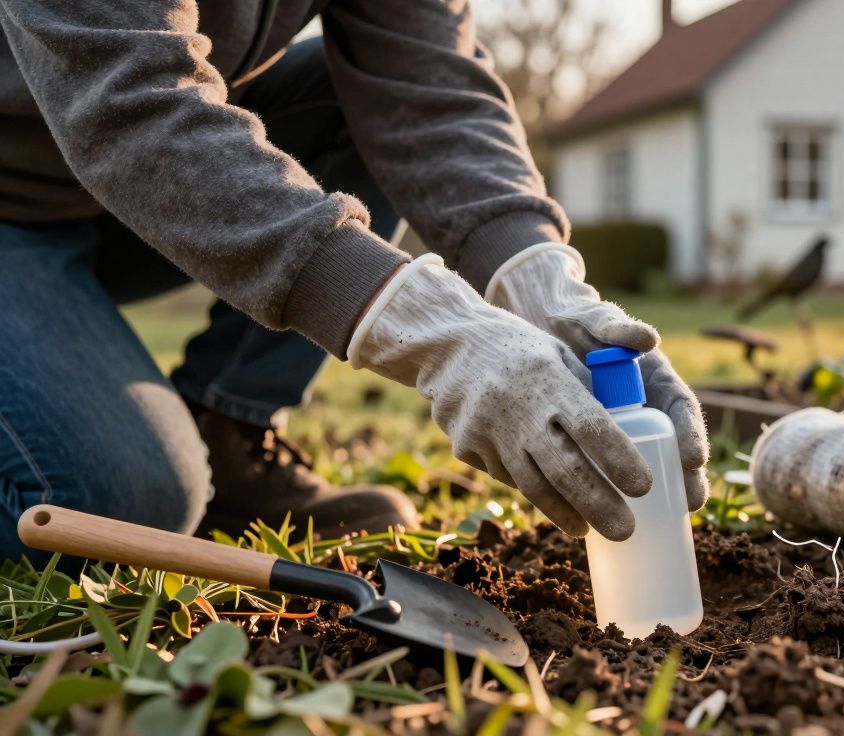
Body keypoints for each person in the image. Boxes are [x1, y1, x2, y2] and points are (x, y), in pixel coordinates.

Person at [0, 1, 710, 561]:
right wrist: (440, 336)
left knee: (364, 108)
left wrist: (540, 284)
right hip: (27, 193)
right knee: (110, 499)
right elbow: (130, 104)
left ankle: (230, 435)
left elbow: (429, 94)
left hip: (108, 199)